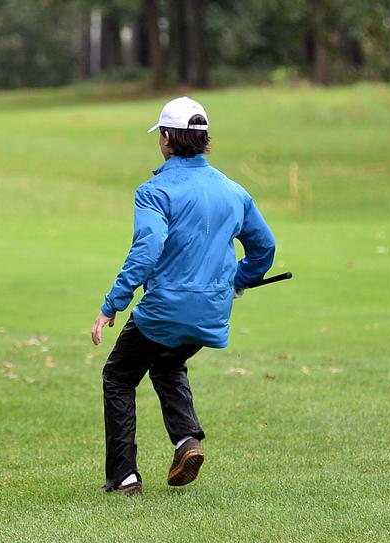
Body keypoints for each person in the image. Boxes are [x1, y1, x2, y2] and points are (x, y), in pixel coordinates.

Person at [91, 96, 276, 496]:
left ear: (165, 138)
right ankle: (186, 442)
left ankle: (124, 478)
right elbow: (264, 249)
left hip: (164, 310)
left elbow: (148, 247)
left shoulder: (154, 190)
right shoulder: (234, 191)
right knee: (168, 363)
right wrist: (237, 282)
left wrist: (112, 305)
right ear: (204, 139)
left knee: (119, 377)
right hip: (211, 313)